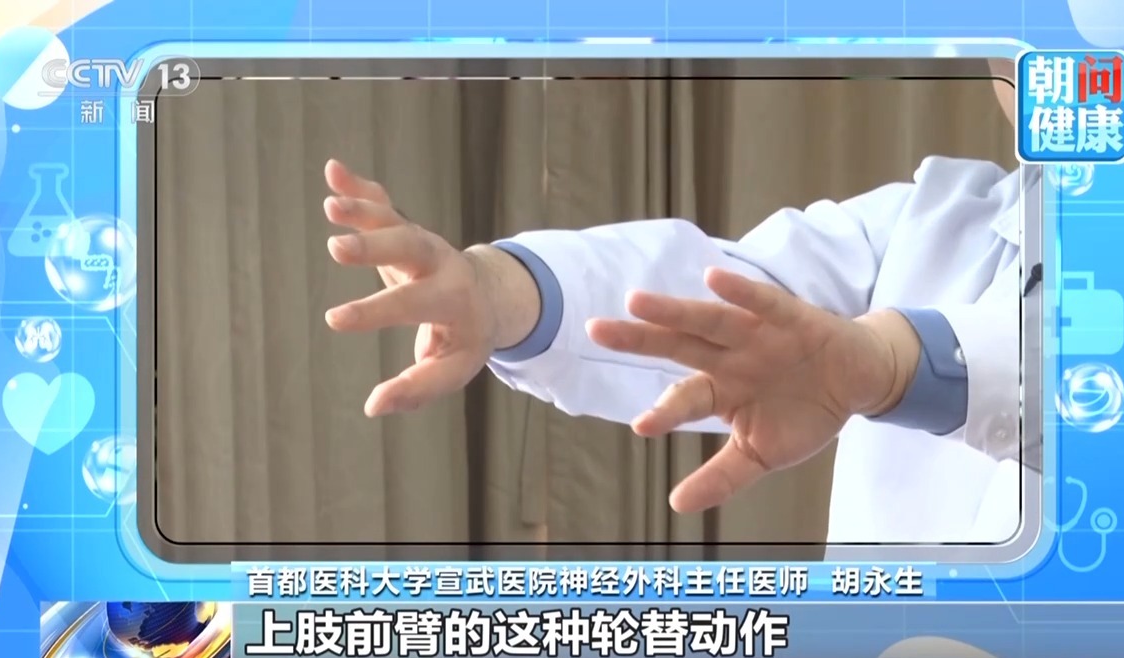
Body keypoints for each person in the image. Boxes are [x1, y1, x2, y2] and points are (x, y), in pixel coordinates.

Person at [319, 59, 1038, 547]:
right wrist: (497, 293)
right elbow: (722, 303)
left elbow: (1092, 369)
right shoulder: (930, 220)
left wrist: (895, 364)